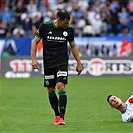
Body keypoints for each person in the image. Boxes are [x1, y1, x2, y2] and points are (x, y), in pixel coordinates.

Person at [31, 9, 82, 125]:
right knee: (50, 90)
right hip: (48, 63)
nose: (67, 25)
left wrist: (79, 63)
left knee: (61, 86)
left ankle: (62, 118)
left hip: (62, 62)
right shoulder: (45, 26)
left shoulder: (68, 30)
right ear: (59, 20)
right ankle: (57, 115)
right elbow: (35, 42)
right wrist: (34, 59)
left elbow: (73, 46)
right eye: (65, 22)